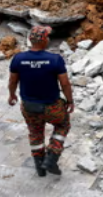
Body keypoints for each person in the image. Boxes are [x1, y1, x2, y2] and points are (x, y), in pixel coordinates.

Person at [8, 26, 74, 177]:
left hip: (30, 107)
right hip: (52, 106)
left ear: (30, 40)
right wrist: (70, 101)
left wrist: (11, 95)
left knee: (35, 132)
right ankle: (52, 157)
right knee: (63, 125)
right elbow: (65, 84)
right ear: (45, 41)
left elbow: (12, 81)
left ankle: (39, 166)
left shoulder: (18, 59)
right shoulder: (55, 60)